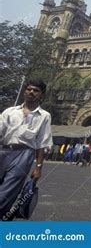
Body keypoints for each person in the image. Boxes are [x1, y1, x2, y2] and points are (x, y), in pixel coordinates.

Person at [0, 78, 53, 220]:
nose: (31, 92)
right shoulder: (10, 112)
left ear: (41, 95)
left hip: (24, 155)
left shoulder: (44, 116)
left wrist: (38, 167)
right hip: (3, 151)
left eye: (36, 90)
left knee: (6, 193)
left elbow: (42, 143)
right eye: (29, 89)